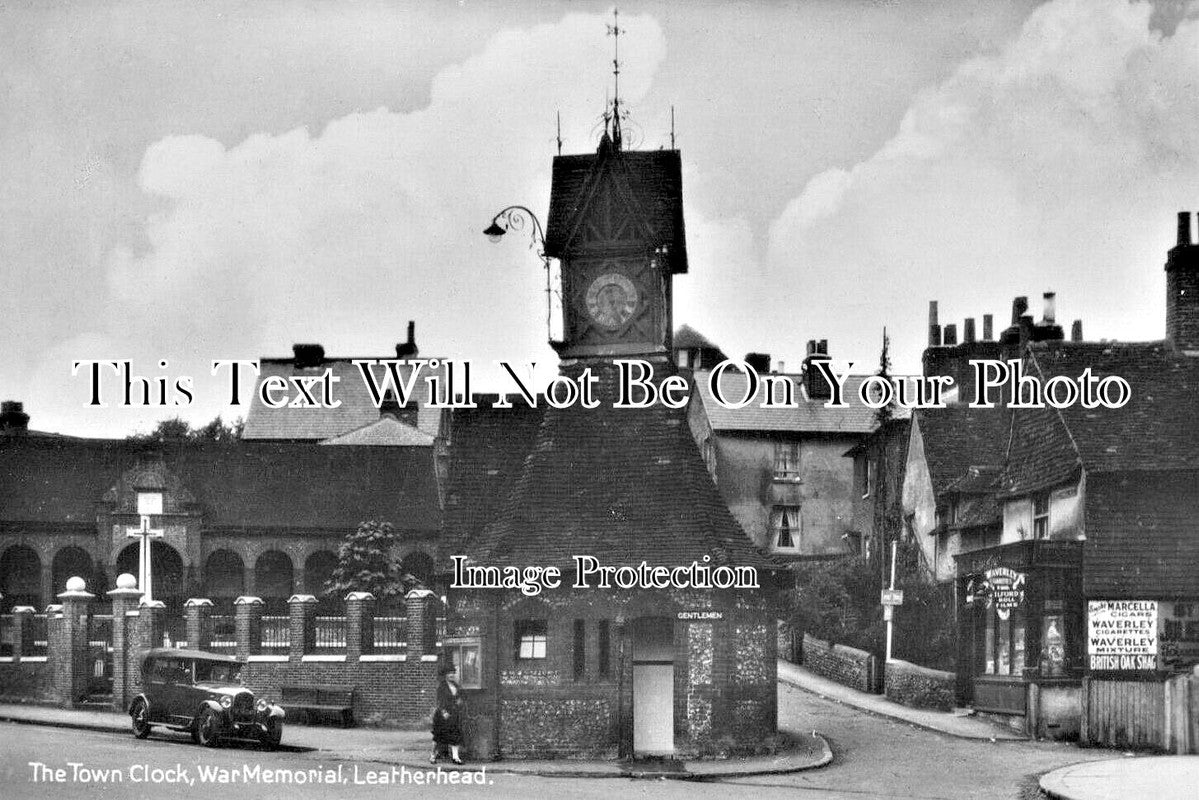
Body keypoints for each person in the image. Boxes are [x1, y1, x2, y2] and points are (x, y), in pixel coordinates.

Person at [430, 659, 465, 765]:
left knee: (455, 735)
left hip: (453, 714)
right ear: (445, 675)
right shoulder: (441, 687)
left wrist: (459, 701)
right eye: (449, 673)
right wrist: (443, 712)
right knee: (438, 736)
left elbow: (459, 697)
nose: (451, 675)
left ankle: (455, 757)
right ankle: (432, 755)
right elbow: (439, 701)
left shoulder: (456, 686)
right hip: (442, 715)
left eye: (453, 673)